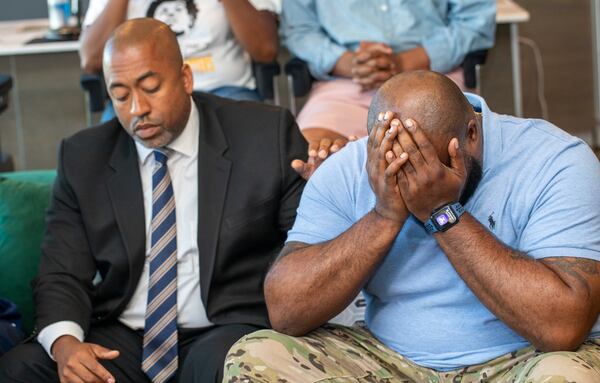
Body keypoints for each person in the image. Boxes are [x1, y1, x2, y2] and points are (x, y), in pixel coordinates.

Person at [223, 71, 600, 382]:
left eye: (432, 164)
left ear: (472, 133)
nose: (414, 181)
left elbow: (563, 328)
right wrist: (383, 216)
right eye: (398, 167)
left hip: (519, 362)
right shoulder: (350, 167)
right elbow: (286, 312)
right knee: (257, 355)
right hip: (389, 360)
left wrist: (443, 213)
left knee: (568, 375)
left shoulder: (555, 161)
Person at [0, 18, 306, 383]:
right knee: (20, 369)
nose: (137, 109)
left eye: (150, 87)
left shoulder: (264, 135)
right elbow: (61, 272)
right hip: (125, 335)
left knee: (232, 369)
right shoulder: (83, 157)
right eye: (121, 94)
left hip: (227, 327)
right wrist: (65, 343)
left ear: (186, 79)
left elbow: (305, 247)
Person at [282, 0, 496, 177]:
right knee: (308, 155)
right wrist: (350, 63)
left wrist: (407, 62)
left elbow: (475, 20)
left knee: (437, 153)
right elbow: (300, 30)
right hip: (345, 82)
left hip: (432, 76)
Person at [80, 0, 280, 121]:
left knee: (250, 137)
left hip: (223, 90)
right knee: (109, 151)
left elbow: (265, 50)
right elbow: (92, 59)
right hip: (143, 96)